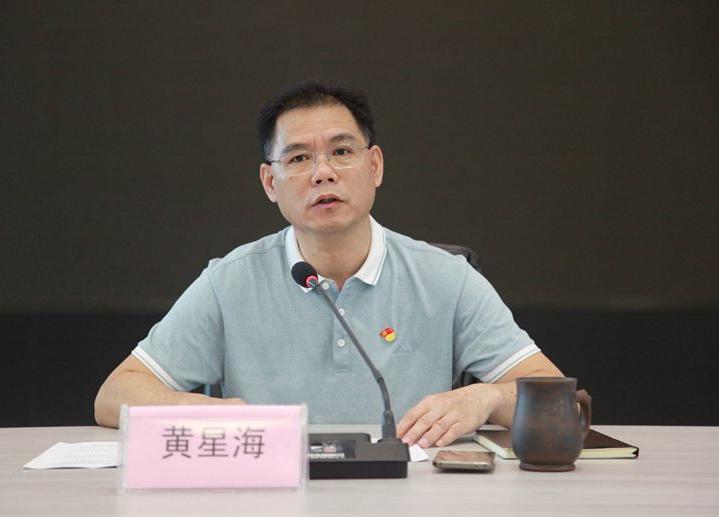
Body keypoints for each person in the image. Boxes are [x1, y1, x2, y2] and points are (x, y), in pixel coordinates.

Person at [94, 79, 563, 448]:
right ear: (270, 183)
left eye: (341, 152)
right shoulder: (229, 283)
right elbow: (115, 394)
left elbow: (555, 395)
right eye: (299, 158)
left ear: (374, 166)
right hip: (272, 498)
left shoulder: (446, 279)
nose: (323, 172)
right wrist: (204, 412)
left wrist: (487, 397)